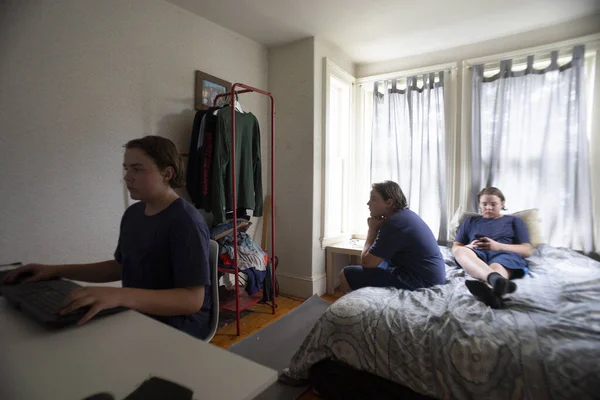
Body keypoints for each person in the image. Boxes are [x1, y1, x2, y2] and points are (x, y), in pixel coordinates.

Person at [2, 136, 212, 340]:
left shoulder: (185, 222)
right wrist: (55, 270)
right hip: (138, 314)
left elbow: (192, 300)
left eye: (137, 169)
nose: (128, 177)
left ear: (167, 173)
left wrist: (120, 296)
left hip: (177, 327)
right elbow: (122, 266)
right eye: (126, 168)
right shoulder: (134, 214)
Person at [339, 181, 446, 293]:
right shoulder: (404, 216)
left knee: (346, 273)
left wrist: (372, 230)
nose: (368, 203)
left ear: (389, 202)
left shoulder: (394, 224)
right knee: (381, 262)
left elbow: (367, 263)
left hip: (421, 281)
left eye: (373, 199)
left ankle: (343, 309)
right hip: (433, 275)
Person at [453, 186, 532, 308]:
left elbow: (527, 250)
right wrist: (468, 246)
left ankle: (492, 293)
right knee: (460, 251)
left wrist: (498, 246)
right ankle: (494, 280)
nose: (488, 207)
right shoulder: (470, 221)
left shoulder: (514, 220)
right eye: (484, 204)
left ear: (502, 204)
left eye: (493, 204)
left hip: (503, 254)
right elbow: (456, 247)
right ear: (480, 204)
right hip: (475, 254)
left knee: (497, 266)